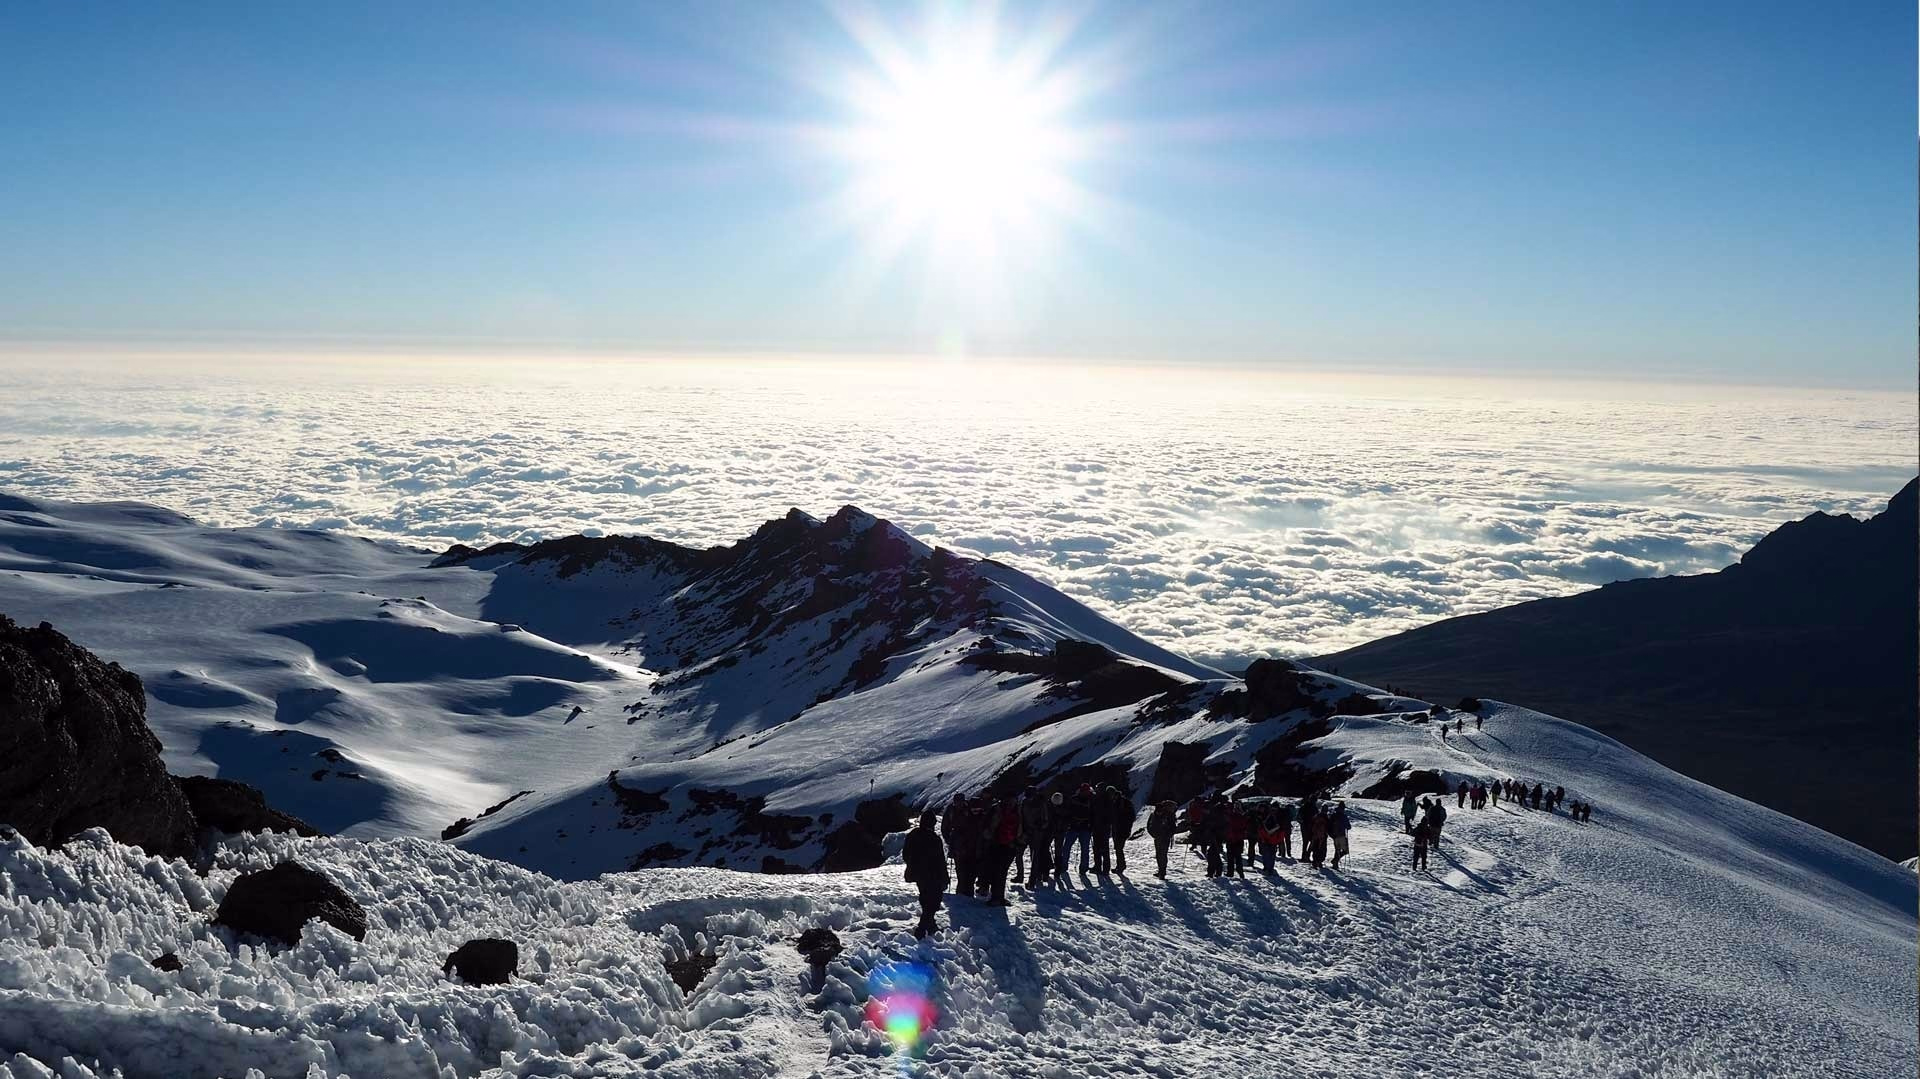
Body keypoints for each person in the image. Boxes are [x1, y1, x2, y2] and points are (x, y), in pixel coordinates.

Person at [903, 811, 949, 937]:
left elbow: (906, 854)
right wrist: (944, 878)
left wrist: (913, 866)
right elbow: (940, 861)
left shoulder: (913, 835)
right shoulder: (934, 839)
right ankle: (922, 928)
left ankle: (930, 924)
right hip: (933, 875)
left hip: (918, 874)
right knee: (933, 900)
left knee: (925, 898)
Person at [984, 798, 1019, 905]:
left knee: (999, 872)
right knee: (1000, 872)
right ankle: (997, 897)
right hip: (1006, 844)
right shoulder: (1015, 810)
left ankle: (996, 897)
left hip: (998, 844)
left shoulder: (996, 809)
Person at [942, 795, 976, 897]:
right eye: (957, 802)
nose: (959, 804)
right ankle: (963, 890)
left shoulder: (969, 809)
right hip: (958, 844)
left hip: (967, 843)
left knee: (968, 868)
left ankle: (965, 890)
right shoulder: (952, 810)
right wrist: (949, 840)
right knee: (960, 868)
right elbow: (945, 826)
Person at [1020, 788, 1051, 887]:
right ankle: (1028, 877)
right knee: (1026, 855)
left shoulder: (1040, 803)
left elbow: (1045, 820)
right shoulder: (1026, 802)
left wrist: (1040, 826)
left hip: (1035, 833)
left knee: (1035, 857)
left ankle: (1032, 881)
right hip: (1028, 832)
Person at [1068, 784, 1096, 874]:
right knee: (1084, 849)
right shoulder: (1091, 800)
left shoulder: (1074, 799)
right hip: (1083, 827)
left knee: (1067, 847)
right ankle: (1083, 868)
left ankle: (1064, 866)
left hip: (1077, 827)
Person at [1147, 799, 1178, 878]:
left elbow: (1173, 827)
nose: (1158, 813)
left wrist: (1167, 834)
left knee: (1162, 855)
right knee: (1159, 855)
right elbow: (1149, 826)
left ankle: (1162, 872)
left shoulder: (1166, 816)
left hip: (1163, 838)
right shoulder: (1156, 815)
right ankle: (1161, 871)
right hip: (1159, 837)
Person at [1105, 786, 1131, 874]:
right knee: (1118, 848)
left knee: (1119, 848)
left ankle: (1121, 866)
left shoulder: (1123, 802)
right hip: (1117, 828)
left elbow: (1131, 816)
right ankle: (1120, 865)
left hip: (1122, 829)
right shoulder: (1118, 801)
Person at [1089, 784, 1115, 874]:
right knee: (1104, 849)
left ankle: (1098, 867)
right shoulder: (1108, 800)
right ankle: (1105, 869)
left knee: (1097, 848)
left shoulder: (1097, 799)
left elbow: (1093, 813)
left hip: (1098, 827)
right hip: (1105, 828)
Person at [1255, 803, 1284, 873]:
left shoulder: (1265, 817)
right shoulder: (1274, 816)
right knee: (1270, 854)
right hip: (1271, 838)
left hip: (1267, 837)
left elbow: (1261, 827)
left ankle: (1268, 867)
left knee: (1267, 854)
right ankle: (1269, 867)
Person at [1048, 792, 1070, 882]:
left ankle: (1055, 867)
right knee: (1058, 851)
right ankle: (1057, 868)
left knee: (1055, 850)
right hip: (1058, 831)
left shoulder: (1050, 807)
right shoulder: (1064, 808)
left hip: (1056, 831)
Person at [1224, 800, 1248, 877]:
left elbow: (1229, 827)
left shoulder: (1231, 816)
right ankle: (1240, 871)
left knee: (1230, 857)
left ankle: (1230, 872)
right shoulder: (1243, 817)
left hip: (1232, 839)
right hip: (1239, 839)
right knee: (1238, 857)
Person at [1328, 802, 1351, 870]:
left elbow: (1329, 825)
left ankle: (1335, 863)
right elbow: (1349, 827)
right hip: (1342, 835)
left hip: (1334, 835)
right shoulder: (1343, 816)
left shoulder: (1333, 815)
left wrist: (1331, 834)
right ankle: (1335, 861)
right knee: (1345, 850)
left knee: (1337, 849)